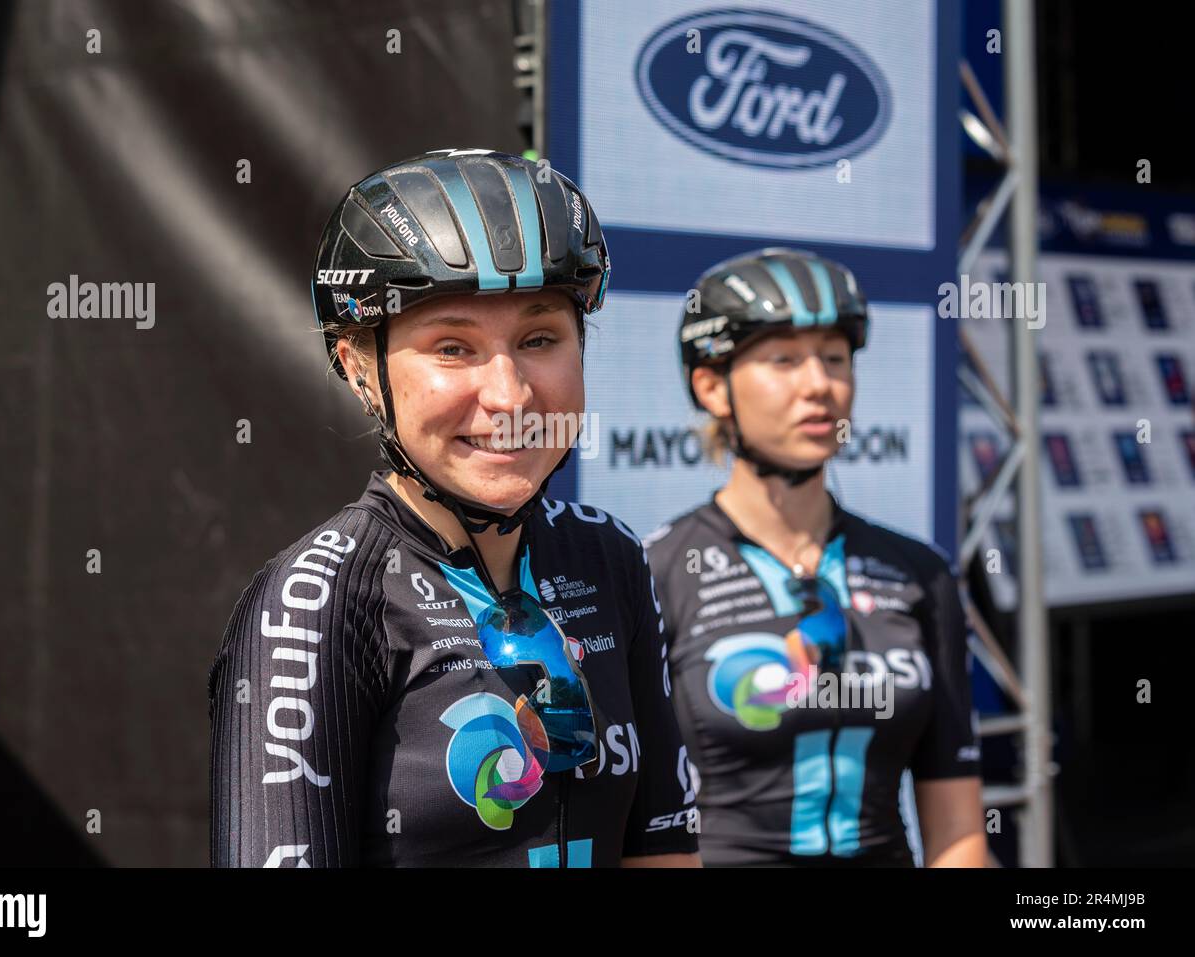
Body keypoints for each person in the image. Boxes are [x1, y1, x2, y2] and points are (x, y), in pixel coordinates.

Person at [208, 148, 701, 868]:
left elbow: (662, 850)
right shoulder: (316, 600)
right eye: (452, 347)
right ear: (357, 366)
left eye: (539, 340)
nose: (510, 395)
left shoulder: (610, 557)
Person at [644, 248, 985, 867]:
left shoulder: (921, 574)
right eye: (783, 360)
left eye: (834, 358)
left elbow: (958, 832)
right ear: (712, 386)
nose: (819, 384)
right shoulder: (653, 573)